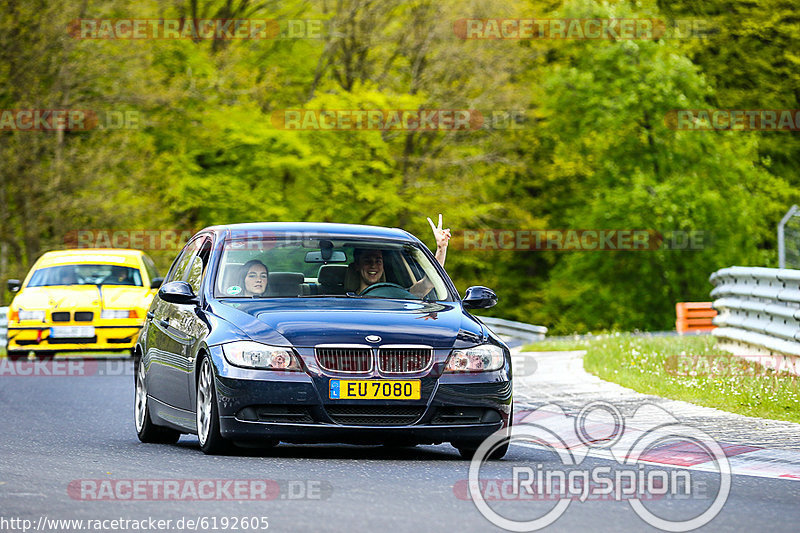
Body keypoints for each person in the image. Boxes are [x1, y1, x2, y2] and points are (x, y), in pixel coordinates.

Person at [345, 214, 451, 296]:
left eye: (378, 261)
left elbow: (430, 281)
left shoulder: (400, 297)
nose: (373, 265)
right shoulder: (344, 301)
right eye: (367, 261)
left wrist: (441, 248)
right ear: (357, 265)